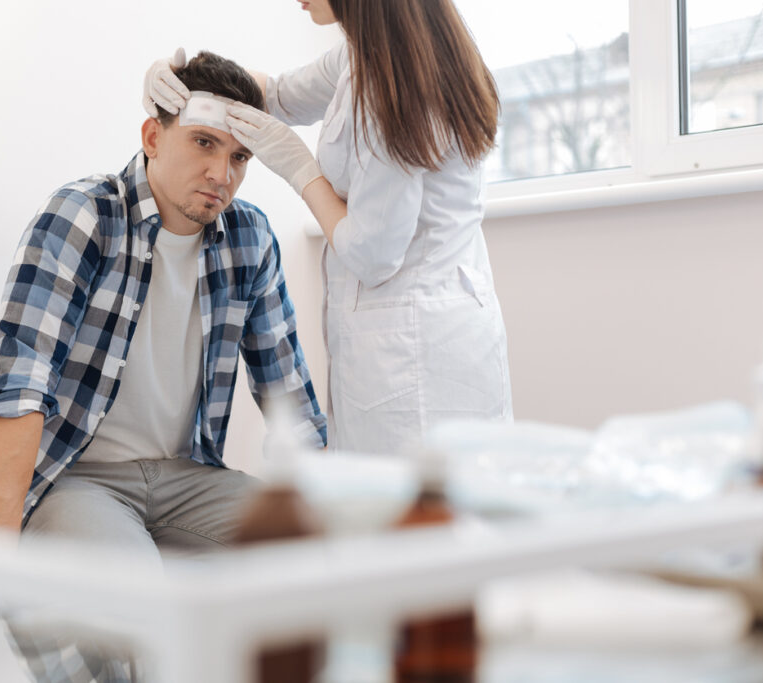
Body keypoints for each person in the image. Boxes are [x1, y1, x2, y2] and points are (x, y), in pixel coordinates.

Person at [0, 50, 327, 683]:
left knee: (331, 559)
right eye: (204, 143)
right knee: (145, 612)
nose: (222, 172)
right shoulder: (83, 217)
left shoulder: (250, 238)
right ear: (153, 136)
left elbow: (289, 399)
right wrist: (0, 570)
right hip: (80, 479)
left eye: (239, 157)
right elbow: (18, 387)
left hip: (187, 475)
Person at [145, 0, 513, 456]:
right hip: (446, 328)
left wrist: (303, 171)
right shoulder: (376, 54)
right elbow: (276, 94)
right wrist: (177, 79)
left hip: (411, 349)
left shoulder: (389, 85)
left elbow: (372, 256)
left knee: (411, 517)